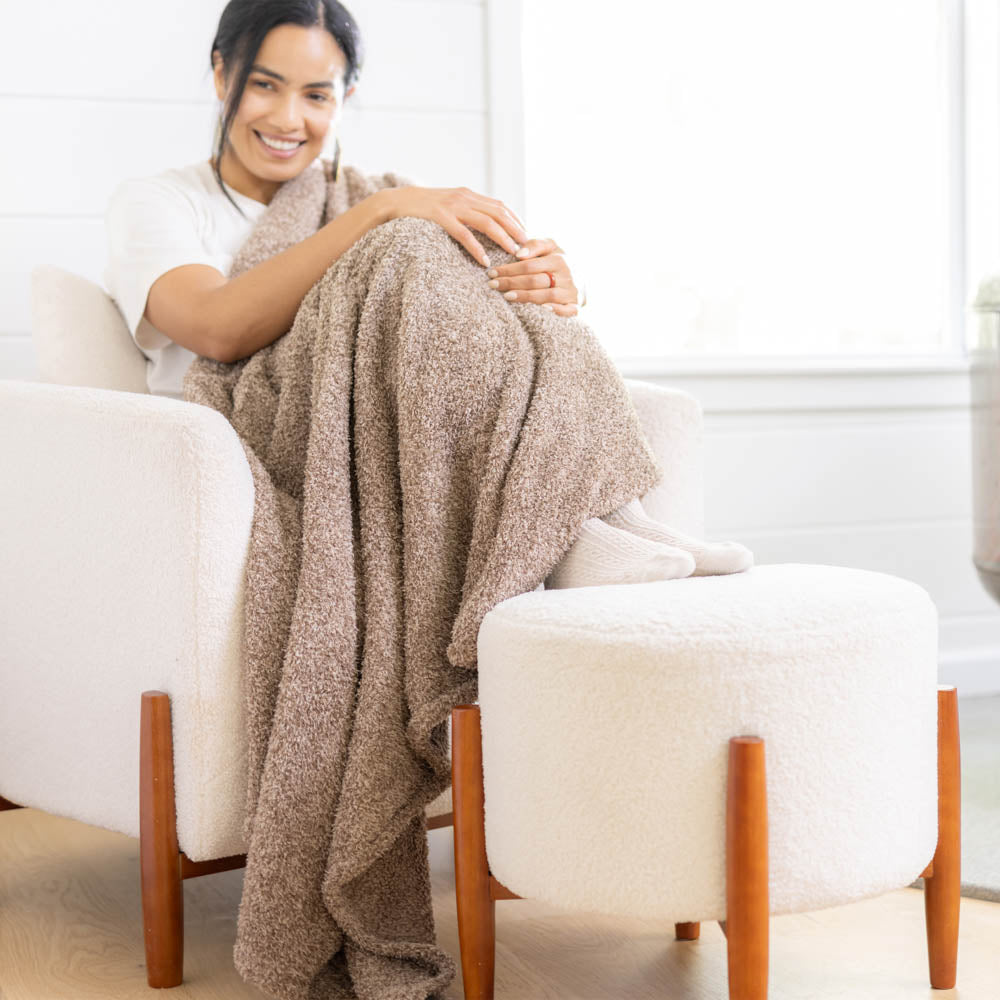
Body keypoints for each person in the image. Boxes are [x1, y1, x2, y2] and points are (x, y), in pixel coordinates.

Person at [103, 0, 752, 586]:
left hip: (392, 429)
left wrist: (543, 288)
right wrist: (381, 215)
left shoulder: (369, 198)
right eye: (264, 86)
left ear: (344, 97)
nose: (288, 118)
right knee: (410, 243)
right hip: (272, 441)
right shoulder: (160, 204)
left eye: (316, 96)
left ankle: (612, 522)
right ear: (222, 75)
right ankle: (573, 537)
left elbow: (462, 322)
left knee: (480, 269)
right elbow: (217, 328)